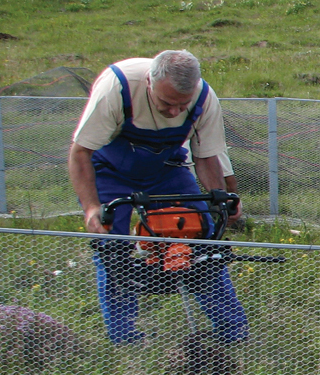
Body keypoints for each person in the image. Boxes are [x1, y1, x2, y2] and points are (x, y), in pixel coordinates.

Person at [67, 50, 248, 345]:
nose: (175, 112)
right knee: (113, 248)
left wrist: (220, 201)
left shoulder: (204, 99)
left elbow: (206, 155)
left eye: (182, 105)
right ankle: (126, 339)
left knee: (202, 241)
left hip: (166, 168)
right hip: (108, 170)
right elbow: (80, 152)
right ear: (150, 82)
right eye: (166, 103)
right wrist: (90, 208)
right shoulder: (117, 87)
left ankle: (233, 331)